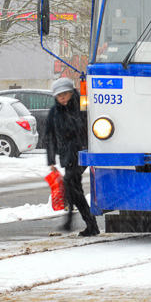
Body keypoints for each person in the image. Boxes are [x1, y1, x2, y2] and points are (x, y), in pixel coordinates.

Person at [43, 77, 99, 237]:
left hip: (82, 153)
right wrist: (51, 160)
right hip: (67, 156)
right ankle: (87, 223)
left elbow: (88, 126)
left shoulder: (81, 106)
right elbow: (49, 136)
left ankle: (74, 220)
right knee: (74, 189)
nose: (62, 97)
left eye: (65, 93)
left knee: (70, 183)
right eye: (59, 95)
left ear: (71, 92)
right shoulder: (55, 112)